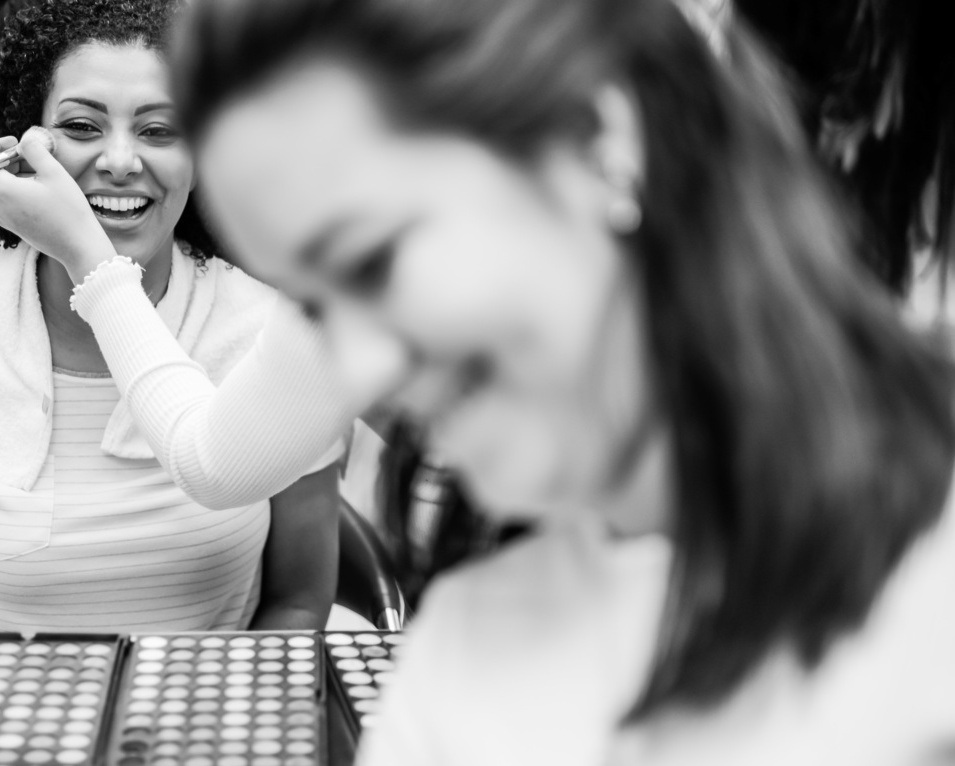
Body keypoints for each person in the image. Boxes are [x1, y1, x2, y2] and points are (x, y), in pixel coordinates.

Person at [161, 0, 955, 762]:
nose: (362, 371)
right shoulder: (464, 656)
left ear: (600, 139)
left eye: (374, 262)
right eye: (315, 307)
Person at [0, 0, 355, 635]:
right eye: (80, 126)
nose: (121, 161)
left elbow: (299, 600)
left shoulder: (270, 328)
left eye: (160, 129)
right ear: (20, 148)